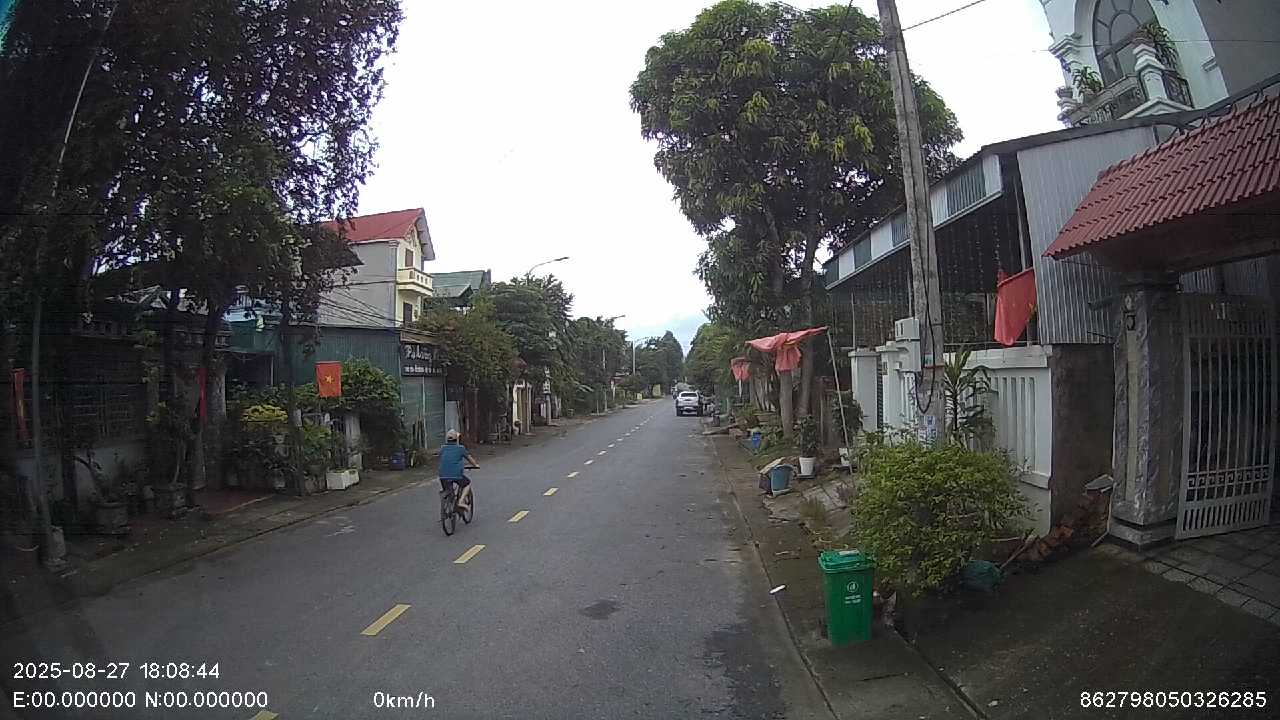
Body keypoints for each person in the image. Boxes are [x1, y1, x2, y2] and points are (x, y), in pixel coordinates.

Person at [438, 429, 478, 512]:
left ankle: (449, 505)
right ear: (457, 439)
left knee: (448, 490)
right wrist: (475, 465)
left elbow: (442, 458)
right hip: (456, 474)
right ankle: (461, 501)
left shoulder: (442, 448)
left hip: (442, 475)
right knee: (467, 484)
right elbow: (470, 459)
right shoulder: (460, 448)